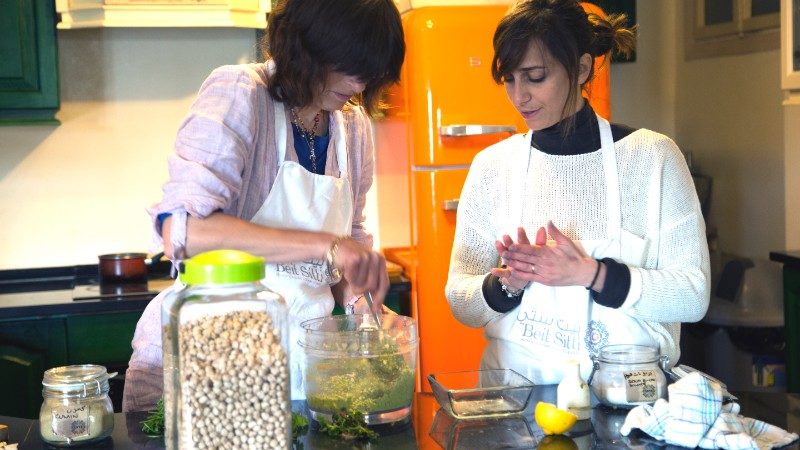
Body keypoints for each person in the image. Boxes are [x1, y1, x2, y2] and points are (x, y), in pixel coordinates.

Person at [122, 0, 405, 411]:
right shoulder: (241, 94)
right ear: (306, 47)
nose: (359, 84)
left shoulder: (353, 128)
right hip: (207, 367)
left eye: (371, 72)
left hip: (301, 373)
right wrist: (326, 244)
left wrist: (361, 303)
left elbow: (346, 251)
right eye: (349, 64)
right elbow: (182, 232)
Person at [445, 0, 710, 385]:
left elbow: (693, 294)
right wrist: (506, 284)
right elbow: (459, 300)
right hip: (516, 402)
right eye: (509, 79)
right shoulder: (492, 167)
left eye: (535, 77)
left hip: (628, 402)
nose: (520, 97)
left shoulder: (652, 158)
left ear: (582, 67)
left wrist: (593, 274)